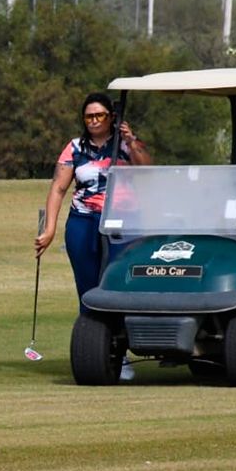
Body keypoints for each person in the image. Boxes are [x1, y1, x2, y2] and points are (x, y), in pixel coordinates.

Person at [33, 93, 152, 379]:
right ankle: (97, 352)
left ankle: (120, 352)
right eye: (89, 117)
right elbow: (58, 189)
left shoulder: (126, 144)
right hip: (84, 221)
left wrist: (131, 140)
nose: (94, 121)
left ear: (112, 117)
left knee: (118, 286)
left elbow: (147, 169)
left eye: (100, 115)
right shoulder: (75, 148)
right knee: (89, 290)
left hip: (123, 222)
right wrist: (49, 229)